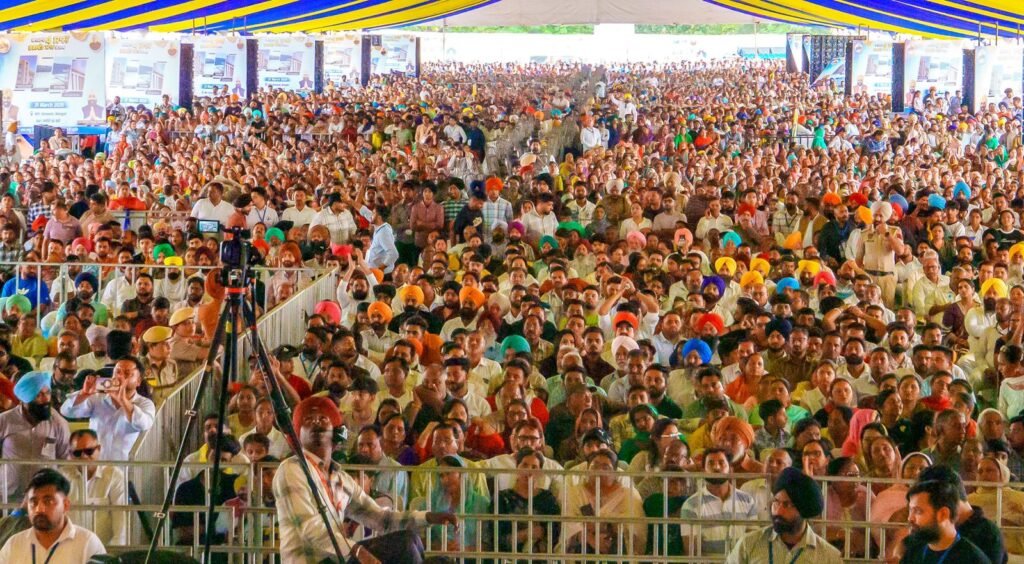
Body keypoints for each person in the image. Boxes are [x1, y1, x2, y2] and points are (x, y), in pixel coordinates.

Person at [273, 395, 457, 563]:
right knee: (406, 544)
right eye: (308, 420)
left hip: (337, 558)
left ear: (337, 432)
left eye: (323, 418)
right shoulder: (292, 469)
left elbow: (381, 518)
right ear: (297, 435)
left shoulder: (340, 479)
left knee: (414, 540)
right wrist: (356, 550)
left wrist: (428, 516)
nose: (315, 422)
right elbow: (309, 527)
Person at [726, 466, 842, 563]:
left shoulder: (828, 557)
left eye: (787, 505)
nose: (778, 512)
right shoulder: (749, 544)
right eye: (776, 502)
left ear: (803, 510)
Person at [60, 356, 156, 460]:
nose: (120, 377)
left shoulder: (145, 404)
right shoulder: (97, 399)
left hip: (125, 470)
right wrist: (84, 393)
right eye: (117, 372)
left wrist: (123, 400)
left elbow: (143, 424)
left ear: (138, 381)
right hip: (97, 468)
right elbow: (67, 411)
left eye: (127, 373)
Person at [0, 469, 105, 562]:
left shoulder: (88, 544)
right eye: (34, 502)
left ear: (65, 505)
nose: (39, 509)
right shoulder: (14, 544)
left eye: (48, 501)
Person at [0, 371, 70, 501]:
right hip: (8, 496)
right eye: (39, 395)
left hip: (45, 497)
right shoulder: (4, 421)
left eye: (47, 393)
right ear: (25, 399)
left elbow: (65, 460)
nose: (45, 400)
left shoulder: (58, 423)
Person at [900, 477, 991, 563]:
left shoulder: (973, 559)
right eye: (910, 510)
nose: (910, 518)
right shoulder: (913, 552)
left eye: (918, 511)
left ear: (943, 514)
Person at [65, 429, 128, 546]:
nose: (83, 456)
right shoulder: (62, 476)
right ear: (70, 455)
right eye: (77, 453)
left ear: (98, 449)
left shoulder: (114, 476)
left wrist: (113, 555)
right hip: (69, 549)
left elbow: (121, 523)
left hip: (104, 552)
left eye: (89, 451)